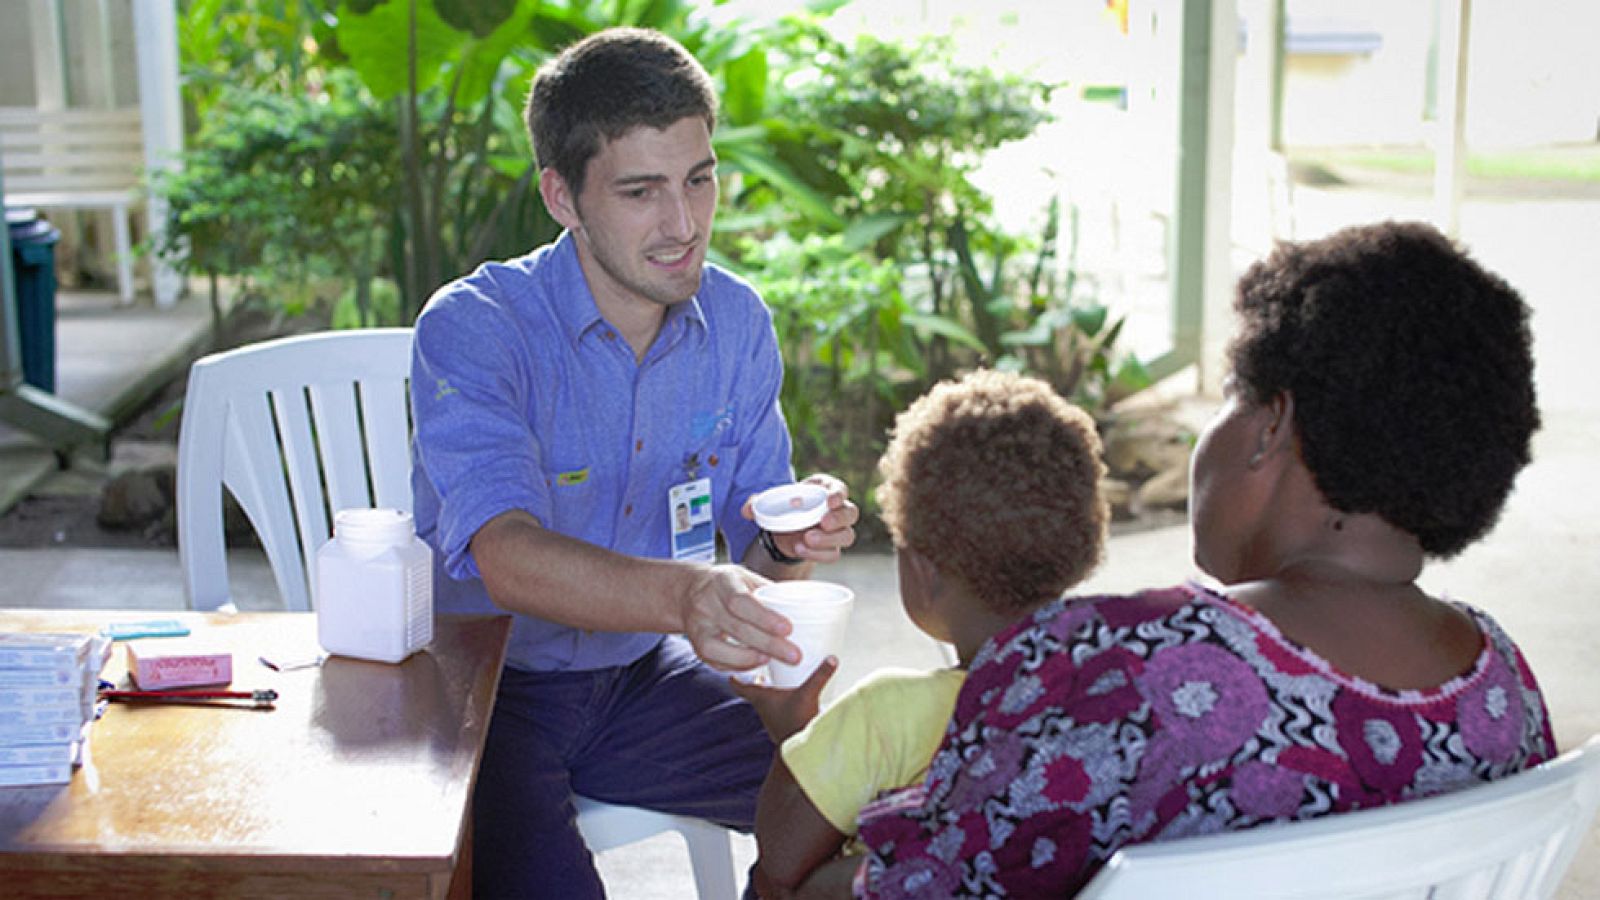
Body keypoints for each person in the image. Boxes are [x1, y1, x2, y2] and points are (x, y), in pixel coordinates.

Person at [829, 221, 1556, 897]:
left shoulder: (1110, 664)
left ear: (1271, 425)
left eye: (1230, 397)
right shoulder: (1504, 691)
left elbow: (917, 882)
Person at [407, 27, 860, 898]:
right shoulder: (475, 327)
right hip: (488, 696)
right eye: (641, 191)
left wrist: (791, 538)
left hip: (648, 679)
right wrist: (688, 596)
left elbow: (754, 556)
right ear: (561, 196)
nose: (684, 224)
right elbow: (504, 553)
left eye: (699, 179)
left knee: (871, 815)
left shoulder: (735, 323)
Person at [737, 370, 1111, 898]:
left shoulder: (887, 715)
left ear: (923, 571)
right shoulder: (1106, 685)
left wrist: (792, 734)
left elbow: (780, 866)